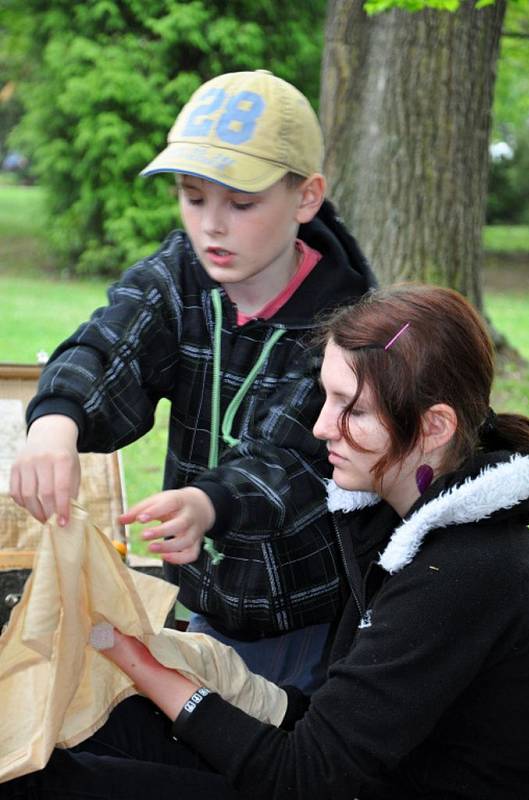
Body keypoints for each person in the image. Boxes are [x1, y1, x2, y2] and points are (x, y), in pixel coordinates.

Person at [5, 284, 529, 800]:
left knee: (41, 782)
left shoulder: (464, 570)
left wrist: (141, 664)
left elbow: (305, 775)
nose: (322, 426)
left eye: (352, 408)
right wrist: (217, 675)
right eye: (325, 395)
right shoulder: (392, 526)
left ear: (434, 426)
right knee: (85, 732)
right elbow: (337, 726)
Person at [9, 69, 375, 691]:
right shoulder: (179, 274)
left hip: (300, 619)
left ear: (307, 197)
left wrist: (211, 503)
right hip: (200, 598)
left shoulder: (346, 322)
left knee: (277, 761)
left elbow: (293, 460)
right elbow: (109, 340)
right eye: (192, 195)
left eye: (242, 203)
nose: (211, 225)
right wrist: (55, 421)